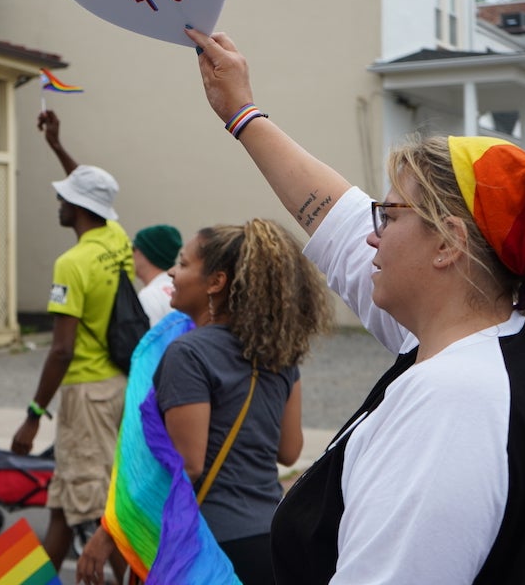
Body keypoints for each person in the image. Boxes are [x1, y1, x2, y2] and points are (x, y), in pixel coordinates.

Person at [185, 27, 525, 583]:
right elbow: (335, 216)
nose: (373, 235)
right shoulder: (501, 345)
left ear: (448, 243)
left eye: (391, 215)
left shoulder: (452, 402)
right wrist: (241, 113)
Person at [77, 219, 333, 585]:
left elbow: (187, 465)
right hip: (270, 540)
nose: (171, 272)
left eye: (182, 264)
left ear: (216, 282)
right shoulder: (280, 354)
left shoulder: (189, 353)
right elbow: (290, 451)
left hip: (210, 546)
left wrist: (111, 530)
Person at [11, 109, 129, 579]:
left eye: (65, 199)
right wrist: (58, 146)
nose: (58, 203)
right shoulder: (116, 238)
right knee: (62, 505)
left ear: (78, 209)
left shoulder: (72, 263)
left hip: (85, 395)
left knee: (99, 511)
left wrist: (33, 417)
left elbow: (61, 349)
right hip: (115, 384)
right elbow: (91, 194)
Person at [132, 224, 182, 325]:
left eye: (133, 248)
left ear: (145, 253)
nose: (130, 254)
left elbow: (150, 339)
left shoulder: (149, 296)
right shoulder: (179, 290)